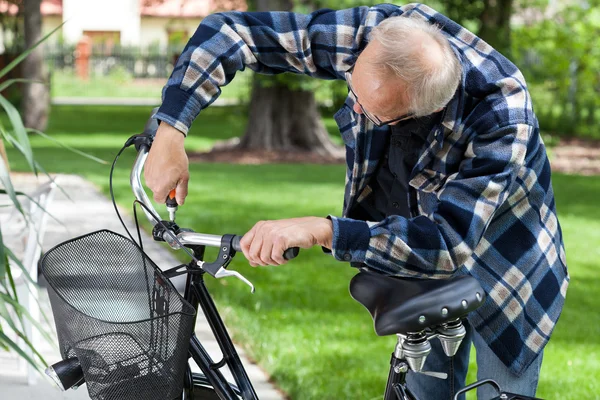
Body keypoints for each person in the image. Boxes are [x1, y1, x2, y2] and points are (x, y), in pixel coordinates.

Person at [144, 3, 568, 399]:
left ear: (423, 112)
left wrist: (323, 229)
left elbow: (448, 242)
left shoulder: (501, 112)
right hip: (412, 246)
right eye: (355, 90)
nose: (355, 107)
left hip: (505, 263)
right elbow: (230, 32)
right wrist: (170, 131)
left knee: (501, 387)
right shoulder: (375, 38)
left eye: (371, 110)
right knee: (425, 387)